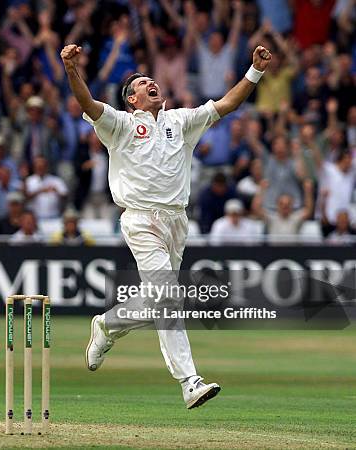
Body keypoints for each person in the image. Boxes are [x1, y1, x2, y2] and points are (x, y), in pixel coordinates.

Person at [61, 41, 273, 408]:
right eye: (141, 83)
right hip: (141, 220)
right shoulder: (120, 125)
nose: (150, 84)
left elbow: (227, 104)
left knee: (159, 302)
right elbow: (89, 105)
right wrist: (70, 69)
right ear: (131, 99)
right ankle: (189, 381)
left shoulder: (181, 120)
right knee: (169, 299)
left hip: (177, 221)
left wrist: (255, 71)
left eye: (151, 80)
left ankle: (107, 326)